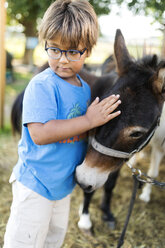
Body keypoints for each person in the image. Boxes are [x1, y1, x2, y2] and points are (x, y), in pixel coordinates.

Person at [3, 0, 121, 247]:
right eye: (54, 49)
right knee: (25, 242)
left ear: (88, 51)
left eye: (72, 51)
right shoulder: (42, 85)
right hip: (36, 184)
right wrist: (88, 119)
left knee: (52, 241)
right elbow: (40, 134)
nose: (62, 60)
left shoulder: (84, 88)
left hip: (63, 187)